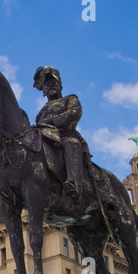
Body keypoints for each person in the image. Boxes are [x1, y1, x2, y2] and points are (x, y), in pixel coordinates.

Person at [33, 66, 84, 200]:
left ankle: (74, 183)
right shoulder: (41, 112)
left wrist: (52, 121)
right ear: (43, 90)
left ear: (61, 85)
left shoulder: (70, 99)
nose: (50, 86)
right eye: (47, 84)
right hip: (47, 140)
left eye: (54, 82)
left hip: (65, 135)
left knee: (70, 144)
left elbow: (75, 113)